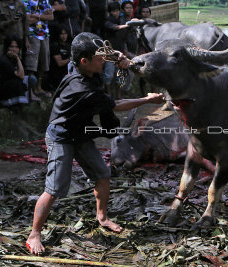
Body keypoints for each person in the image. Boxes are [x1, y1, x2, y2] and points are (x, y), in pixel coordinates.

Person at [25, 32, 164, 256]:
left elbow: (105, 54)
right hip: (61, 136)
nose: (104, 62)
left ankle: (103, 217)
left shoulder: (81, 64)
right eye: (100, 60)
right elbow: (117, 105)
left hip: (81, 133)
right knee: (54, 188)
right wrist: (148, 100)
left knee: (102, 174)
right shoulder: (81, 87)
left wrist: (120, 57)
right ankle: (34, 234)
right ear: (84, 61)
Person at [0, 35, 38, 109]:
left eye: (16, 47)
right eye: (11, 47)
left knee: (31, 79)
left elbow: (23, 75)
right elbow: (21, 75)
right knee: (19, 82)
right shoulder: (3, 59)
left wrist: (17, 59)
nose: (14, 49)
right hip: (5, 87)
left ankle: (28, 98)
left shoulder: (16, 59)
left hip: (15, 83)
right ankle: (8, 103)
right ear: (7, 47)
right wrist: (17, 58)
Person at [23, 0, 54, 98]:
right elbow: (28, 21)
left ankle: (38, 87)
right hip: (32, 34)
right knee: (31, 64)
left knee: (43, 62)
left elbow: (51, 17)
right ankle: (30, 90)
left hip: (44, 34)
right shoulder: (25, 2)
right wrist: (42, 15)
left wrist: (36, 16)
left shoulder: (44, 1)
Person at [104, 1, 129, 98]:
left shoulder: (122, 19)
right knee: (108, 75)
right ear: (110, 12)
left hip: (121, 51)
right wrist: (127, 25)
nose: (116, 13)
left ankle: (118, 95)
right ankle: (108, 94)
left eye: (117, 11)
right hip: (110, 52)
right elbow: (115, 28)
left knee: (120, 75)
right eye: (114, 11)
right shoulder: (107, 21)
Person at [48, 24, 71, 91]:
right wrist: (71, 59)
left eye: (65, 34)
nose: (64, 36)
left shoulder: (68, 46)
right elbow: (59, 63)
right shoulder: (55, 46)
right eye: (61, 34)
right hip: (57, 75)